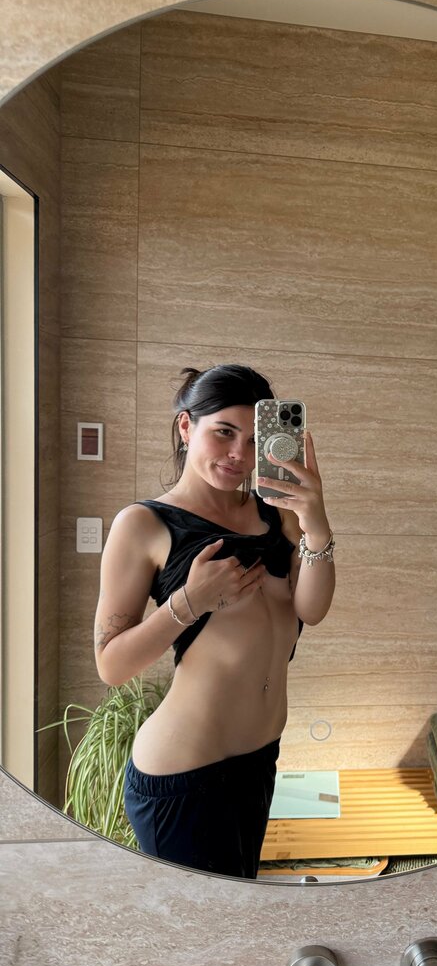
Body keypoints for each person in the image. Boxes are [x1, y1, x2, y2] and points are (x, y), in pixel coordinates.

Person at [93, 364, 335, 878]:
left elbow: (311, 610)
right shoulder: (143, 525)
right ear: (187, 427)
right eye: (224, 432)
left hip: (258, 761)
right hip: (185, 774)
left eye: (253, 440)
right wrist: (190, 601)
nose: (239, 455)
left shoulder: (277, 513)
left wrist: (316, 524)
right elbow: (111, 665)